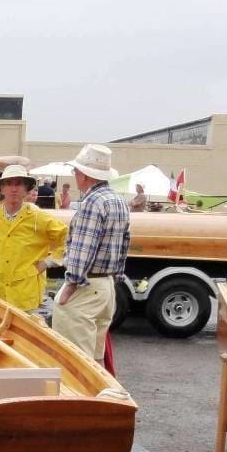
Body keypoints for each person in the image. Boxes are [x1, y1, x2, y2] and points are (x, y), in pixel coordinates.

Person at [52, 144, 130, 361]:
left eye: (76, 171)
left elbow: (82, 249)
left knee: (75, 359)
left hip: (86, 286)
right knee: (96, 359)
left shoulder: (91, 203)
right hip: (106, 287)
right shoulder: (118, 201)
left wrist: (70, 285)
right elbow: (125, 242)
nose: (75, 175)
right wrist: (116, 278)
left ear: (85, 175)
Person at [0, 164, 67, 312]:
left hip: (25, 291)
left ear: (26, 189)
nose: (14, 188)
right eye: (9, 184)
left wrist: (49, 262)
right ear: (2, 188)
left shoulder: (39, 218)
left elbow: (65, 237)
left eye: (18, 184)